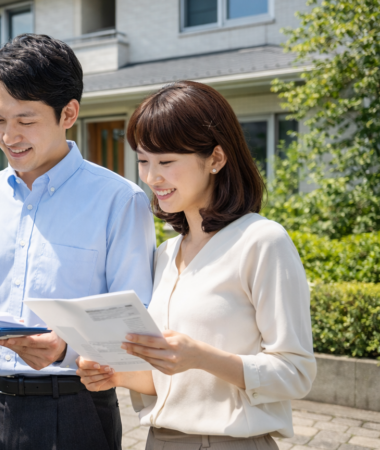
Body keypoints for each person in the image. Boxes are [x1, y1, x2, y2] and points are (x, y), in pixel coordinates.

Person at [0, 34, 156, 450]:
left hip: (74, 411)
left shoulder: (120, 201)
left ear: (68, 112)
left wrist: (65, 349)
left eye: (26, 119)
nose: (8, 135)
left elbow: (134, 326)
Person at [76, 80, 316, 449]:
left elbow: (296, 373)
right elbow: (171, 378)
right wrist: (116, 376)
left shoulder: (261, 241)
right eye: (143, 160)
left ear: (216, 159)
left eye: (167, 162)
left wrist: (202, 356)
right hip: (160, 440)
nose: (152, 177)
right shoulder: (165, 254)